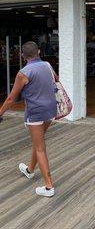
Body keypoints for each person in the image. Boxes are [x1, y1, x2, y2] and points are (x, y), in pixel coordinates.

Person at [0, 41, 57, 197]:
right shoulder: (47, 65)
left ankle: (48, 187)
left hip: (36, 113)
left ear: (23, 56)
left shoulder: (24, 73)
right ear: (38, 51)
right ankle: (30, 170)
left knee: (40, 148)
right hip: (51, 109)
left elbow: (11, 98)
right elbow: (55, 80)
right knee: (38, 142)